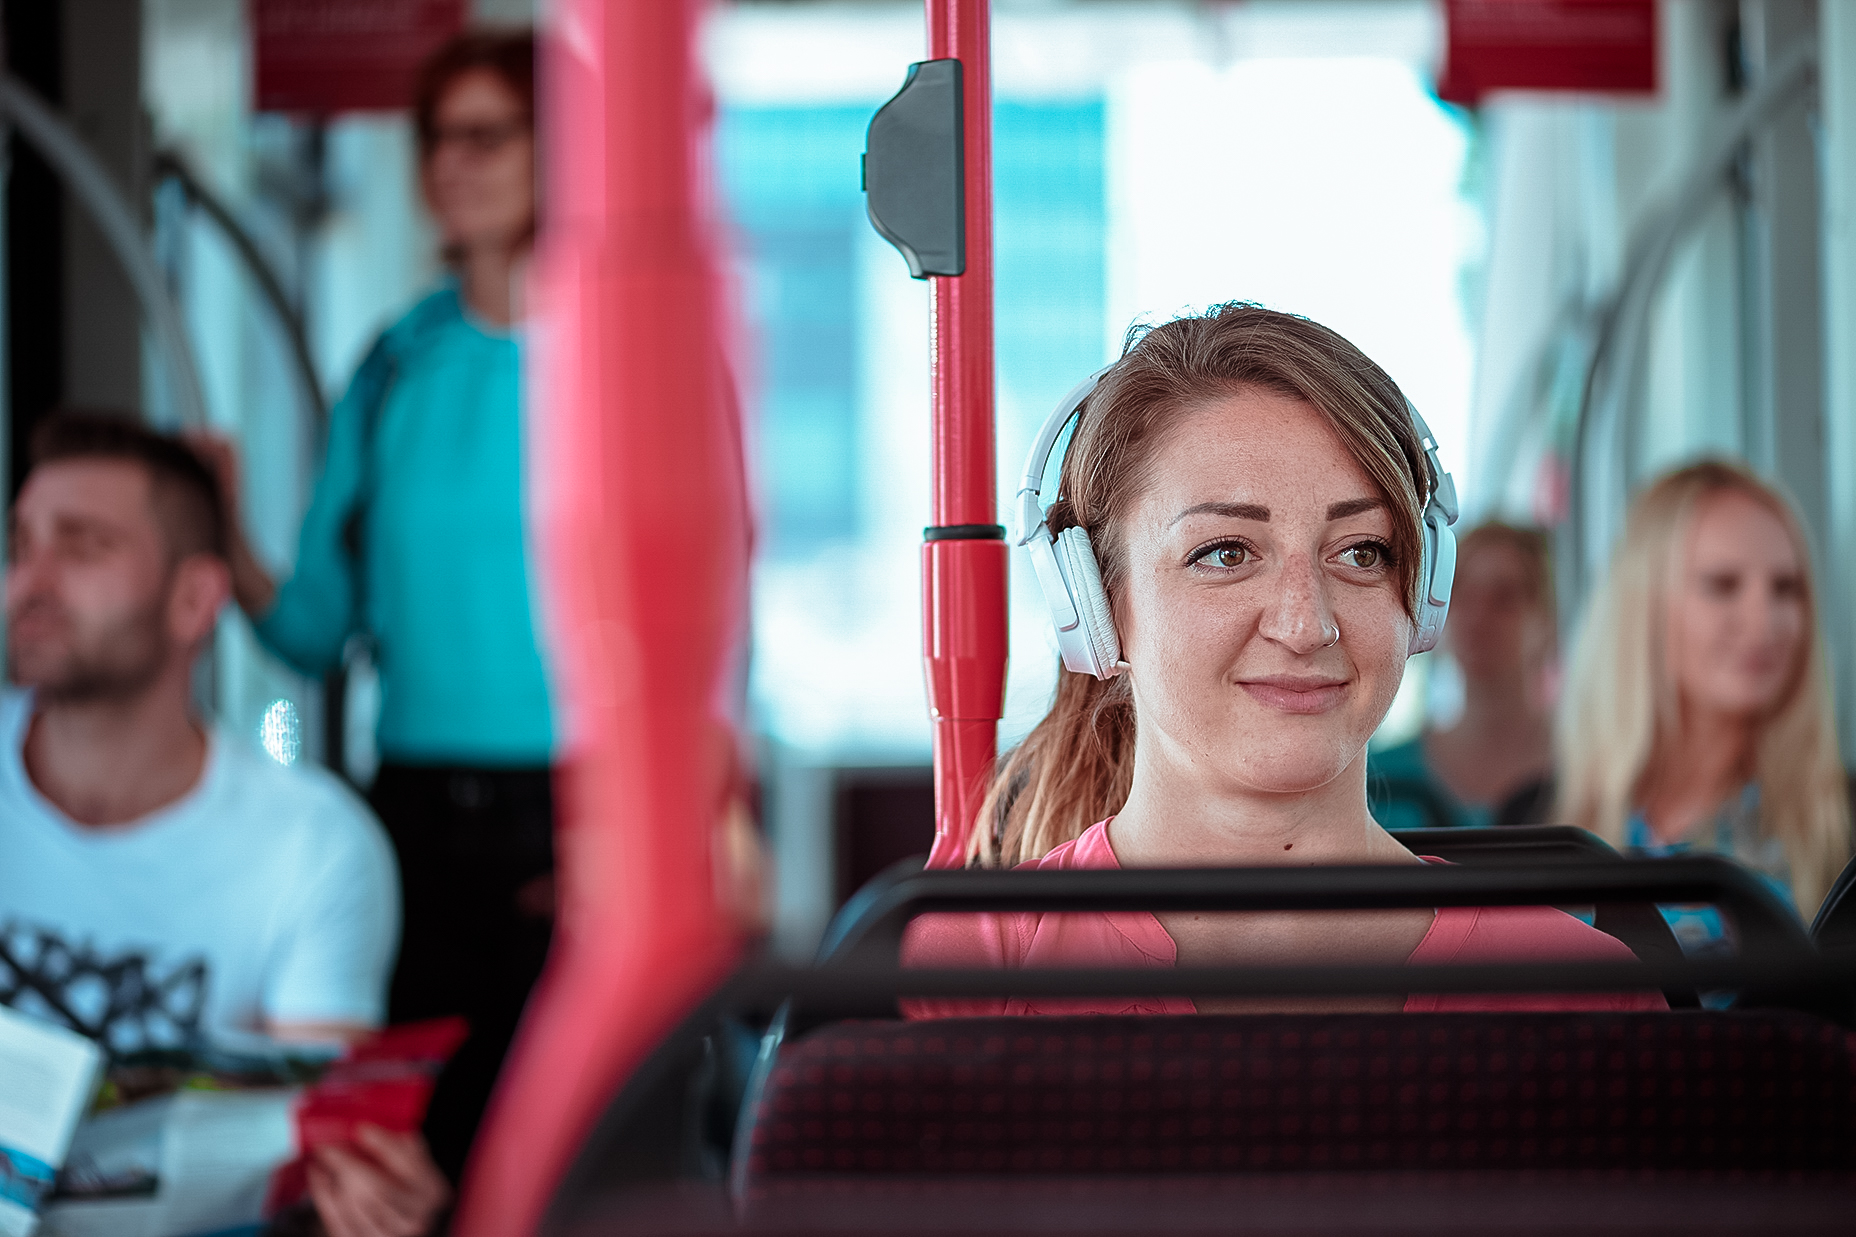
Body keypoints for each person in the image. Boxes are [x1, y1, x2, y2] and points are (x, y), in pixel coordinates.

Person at [903, 303, 1662, 1018]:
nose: (1307, 623)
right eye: (1225, 552)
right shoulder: (956, 977)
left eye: (1362, 552)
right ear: (1097, 607)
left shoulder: (1580, 989)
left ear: (1422, 595)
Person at [197, 29, 551, 1182]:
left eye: (484, 135)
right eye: (434, 141)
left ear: (558, 150)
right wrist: (218, 533)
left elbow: (706, 628)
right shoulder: (394, 364)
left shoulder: (631, 361)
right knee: (421, 1156)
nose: (451, 163)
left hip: (585, 815)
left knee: (573, 1152)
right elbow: (307, 626)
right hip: (413, 827)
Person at [1, 411, 447, 1237]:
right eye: (22, 545)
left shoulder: (314, 846)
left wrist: (371, 1203)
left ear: (196, 597)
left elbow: (322, 1160)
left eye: (83, 546)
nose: (32, 580)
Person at [1556, 461, 1853, 942]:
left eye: (1786, 588)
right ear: (1645, 606)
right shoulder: (1540, 819)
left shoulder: (1845, 828)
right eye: (1723, 585)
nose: (1763, 622)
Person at [1368, 523, 1556, 830]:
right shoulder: (1383, 778)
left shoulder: (1590, 772)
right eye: (1460, 594)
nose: (1477, 616)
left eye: (1504, 597)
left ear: (1548, 618)